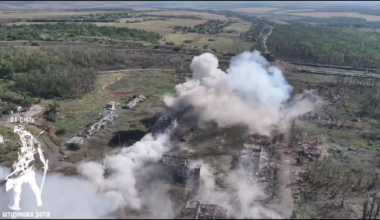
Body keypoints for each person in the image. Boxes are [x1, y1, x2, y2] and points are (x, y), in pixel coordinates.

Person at [4, 125, 48, 211]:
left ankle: (19, 204)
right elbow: (39, 153)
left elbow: (39, 153)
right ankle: (38, 201)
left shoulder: (28, 143)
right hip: (27, 170)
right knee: (31, 186)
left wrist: (44, 163)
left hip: (25, 170)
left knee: (18, 187)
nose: (25, 140)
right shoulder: (29, 143)